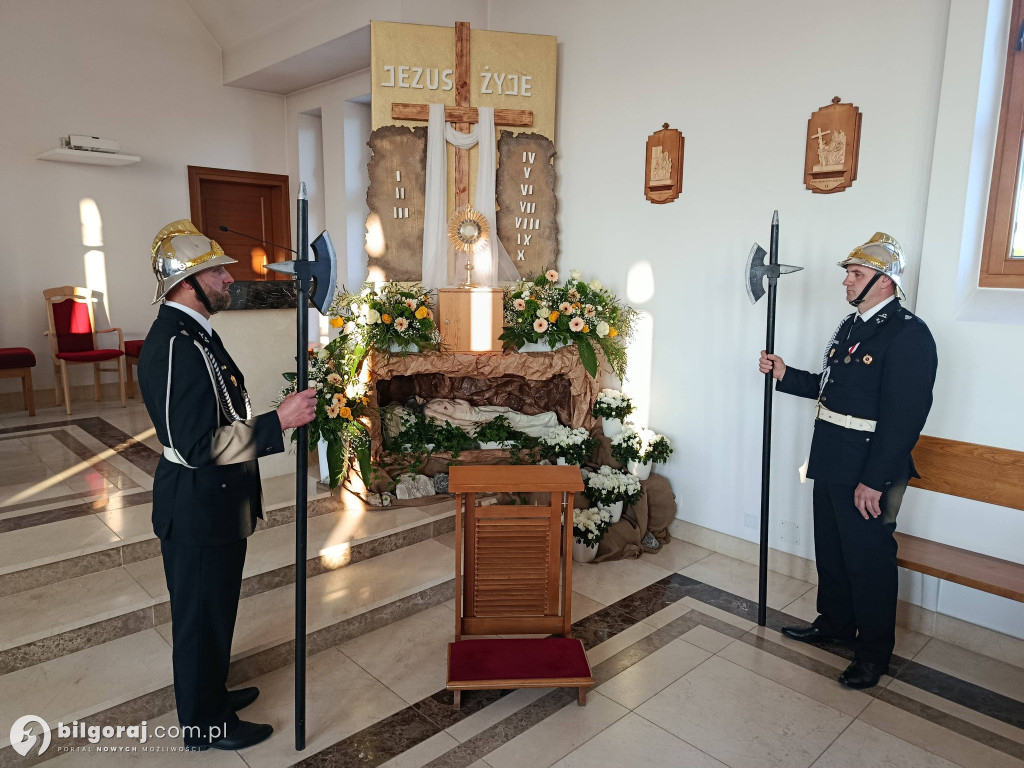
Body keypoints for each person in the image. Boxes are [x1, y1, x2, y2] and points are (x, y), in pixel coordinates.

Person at [138, 220, 316, 750]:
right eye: (216, 270)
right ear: (187, 282)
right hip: (195, 508)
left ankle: (211, 691)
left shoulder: (196, 334)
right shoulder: (174, 345)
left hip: (216, 505)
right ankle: (202, 722)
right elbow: (196, 447)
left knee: (216, 613)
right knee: (199, 621)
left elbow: (219, 415)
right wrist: (276, 424)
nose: (228, 277)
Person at [758, 232, 937, 690]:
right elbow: (832, 386)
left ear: (885, 282)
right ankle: (835, 624)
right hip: (833, 458)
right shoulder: (850, 326)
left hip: (869, 470)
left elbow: (904, 419)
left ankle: (873, 654)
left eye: (855, 274)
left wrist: (874, 482)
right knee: (834, 552)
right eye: (848, 274)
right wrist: (786, 374)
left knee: (869, 562)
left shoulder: (910, 334)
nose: (846, 282)